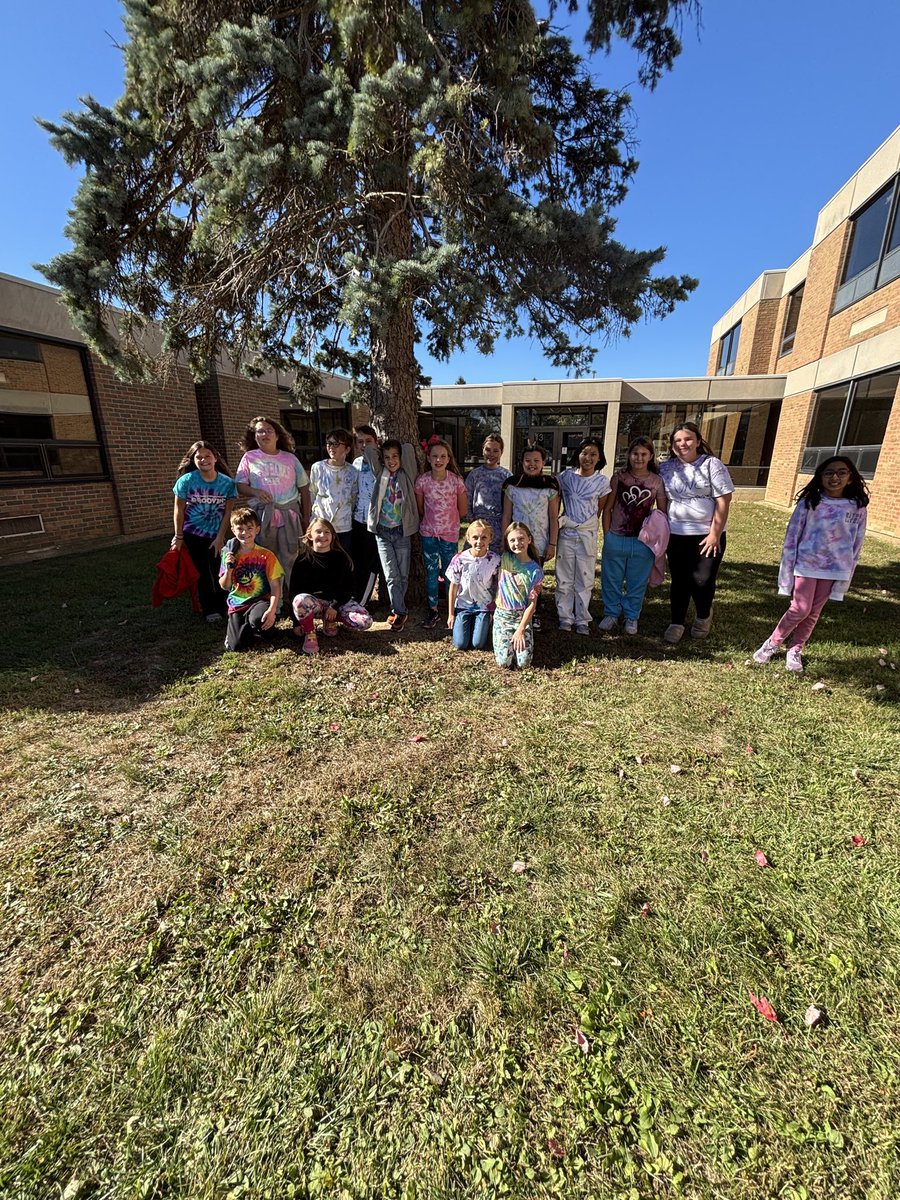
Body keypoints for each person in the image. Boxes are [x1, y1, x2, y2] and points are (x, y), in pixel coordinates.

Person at [753, 457, 869, 674]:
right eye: (829, 473)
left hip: (834, 568)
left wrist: (847, 574)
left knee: (813, 612)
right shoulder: (810, 503)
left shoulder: (857, 508)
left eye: (841, 472)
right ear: (820, 477)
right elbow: (792, 538)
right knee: (800, 608)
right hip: (806, 565)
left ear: (850, 477)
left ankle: (795, 649)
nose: (835, 477)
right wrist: (786, 572)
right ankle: (773, 643)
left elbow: (856, 544)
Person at [657, 422, 734, 643]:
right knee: (679, 580)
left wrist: (714, 534)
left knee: (702, 579)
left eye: (688, 439)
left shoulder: (712, 465)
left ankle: (703, 615)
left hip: (707, 534)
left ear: (698, 441)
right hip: (677, 533)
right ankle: (677, 622)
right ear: (672, 446)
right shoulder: (665, 468)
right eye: (678, 441)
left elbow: (723, 500)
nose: (683, 444)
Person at [599, 436, 667, 635]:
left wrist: (657, 538)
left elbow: (662, 514)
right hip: (616, 537)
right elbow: (608, 509)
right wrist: (607, 535)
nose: (639, 458)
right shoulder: (619, 478)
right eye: (635, 453)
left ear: (650, 456)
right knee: (611, 579)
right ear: (629, 455)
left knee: (637, 581)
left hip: (642, 541)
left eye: (643, 454)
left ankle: (631, 616)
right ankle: (611, 613)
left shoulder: (656, 481)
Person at [234, 416, 311, 583]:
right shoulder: (249, 457)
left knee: (291, 556)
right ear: (255, 436)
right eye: (260, 431)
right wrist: (255, 491)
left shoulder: (290, 458)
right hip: (263, 516)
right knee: (266, 556)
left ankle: (294, 597)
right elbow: (240, 485)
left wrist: (306, 517)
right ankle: (273, 599)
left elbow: (304, 488)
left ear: (277, 436)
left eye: (269, 430)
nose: (265, 434)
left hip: (288, 515)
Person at [171, 440, 237, 623]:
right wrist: (178, 536)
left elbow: (227, 513)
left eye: (208, 456)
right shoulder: (186, 480)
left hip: (217, 535)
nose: (203, 460)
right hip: (193, 534)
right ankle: (209, 609)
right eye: (198, 457)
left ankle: (225, 605)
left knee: (220, 570)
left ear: (215, 458)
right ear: (193, 460)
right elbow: (178, 510)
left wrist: (220, 537)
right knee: (201, 572)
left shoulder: (227, 484)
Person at [289, 517, 373, 656]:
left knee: (365, 621)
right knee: (299, 599)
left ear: (333, 536)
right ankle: (310, 633)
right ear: (310, 535)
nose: (323, 536)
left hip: (337, 605)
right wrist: (296, 622)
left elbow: (350, 587)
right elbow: (294, 591)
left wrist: (334, 606)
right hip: (314, 605)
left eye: (327, 532)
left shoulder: (341, 557)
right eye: (318, 532)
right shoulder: (302, 559)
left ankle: (330, 620)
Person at [555, 436, 611, 635]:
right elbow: (556, 503)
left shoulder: (603, 482)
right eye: (584, 453)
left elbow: (599, 511)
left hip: (587, 534)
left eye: (593, 454)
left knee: (585, 577)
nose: (588, 457)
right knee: (564, 577)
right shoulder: (565, 477)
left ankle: (582, 619)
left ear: (599, 458)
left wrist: (586, 526)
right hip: (567, 534)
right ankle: (565, 617)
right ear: (578, 454)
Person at [501, 444, 560, 629]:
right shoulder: (512, 485)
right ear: (522, 462)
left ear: (543, 462)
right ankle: (517, 610)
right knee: (516, 576)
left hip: (539, 542)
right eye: (528, 460)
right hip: (516, 542)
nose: (532, 464)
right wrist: (505, 541)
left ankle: (535, 613)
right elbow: (506, 515)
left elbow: (553, 516)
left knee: (535, 578)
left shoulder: (549, 487)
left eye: (536, 460)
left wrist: (552, 543)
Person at [365, 439, 420, 632]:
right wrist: (376, 445)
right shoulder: (381, 473)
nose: (391, 460)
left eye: (395, 456)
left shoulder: (407, 474)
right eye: (387, 457)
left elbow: (407, 447)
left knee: (403, 575)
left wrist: (400, 451)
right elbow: (370, 451)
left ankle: (398, 609)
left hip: (402, 531)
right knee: (390, 575)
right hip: (383, 532)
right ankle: (399, 611)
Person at [415, 439, 468, 628]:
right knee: (431, 572)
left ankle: (452, 609)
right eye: (435, 456)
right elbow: (421, 508)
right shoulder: (422, 481)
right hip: (429, 534)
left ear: (448, 459)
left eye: (443, 456)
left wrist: (448, 522)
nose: (438, 460)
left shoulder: (455, 481)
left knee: (450, 573)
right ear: (428, 458)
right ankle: (433, 609)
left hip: (450, 535)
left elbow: (462, 510)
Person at [219, 506, 283, 652]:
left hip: (259, 601)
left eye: (249, 528)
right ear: (233, 530)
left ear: (257, 530)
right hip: (238, 604)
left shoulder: (266, 555)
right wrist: (229, 570)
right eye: (240, 528)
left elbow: (275, 586)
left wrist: (272, 610)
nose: (245, 533)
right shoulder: (228, 554)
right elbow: (224, 586)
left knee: (258, 619)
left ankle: (259, 626)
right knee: (237, 646)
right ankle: (241, 628)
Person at [493, 522, 543, 670]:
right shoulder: (504, 558)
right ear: (508, 543)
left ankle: (521, 640)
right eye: (512, 540)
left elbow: (532, 604)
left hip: (521, 618)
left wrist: (521, 629)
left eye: (521, 539)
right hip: (502, 617)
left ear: (529, 539)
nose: (517, 543)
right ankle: (504, 641)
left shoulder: (535, 571)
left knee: (524, 664)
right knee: (504, 663)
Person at [445, 519, 501, 651]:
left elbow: (499, 585)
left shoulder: (495, 560)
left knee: (478, 644)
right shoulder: (459, 559)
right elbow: (453, 588)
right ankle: (466, 623)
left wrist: (495, 608)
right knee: (460, 644)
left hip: (483, 606)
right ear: (468, 538)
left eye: (484, 537)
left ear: (490, 539)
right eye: (475, 537)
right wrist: (451, 614)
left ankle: (482, 623)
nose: (479, 542)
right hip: (463, 606)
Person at [309, 428, 358, 556]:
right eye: (329, 444)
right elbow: (312, 494)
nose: (331, 447)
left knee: (342, 561)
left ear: (347, 449)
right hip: (321, 525)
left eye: (336, 444)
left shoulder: (352, 472)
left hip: (343, 526)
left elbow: (353, 498)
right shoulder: (318, 468)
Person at [351, 424, 384, 606]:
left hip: (377, 521)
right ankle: (354, 596)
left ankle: (361, 602)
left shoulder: (382, 462)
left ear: (376, 442)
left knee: (371, 563)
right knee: (358, 561)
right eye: (360, 442)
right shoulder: (355, 464)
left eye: (369, 441)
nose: (365, 445)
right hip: (358, 520)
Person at [465, 435, 511, 554]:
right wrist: (472, 523)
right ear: (483, 450)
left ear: (501, 452)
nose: (491, 454)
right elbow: (467, 499)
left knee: (496, 564)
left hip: (500, 526)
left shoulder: (507, 476)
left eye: (496, 451)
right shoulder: (474, 475)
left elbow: (511, 503)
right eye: (488, 450)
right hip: (479, 525)